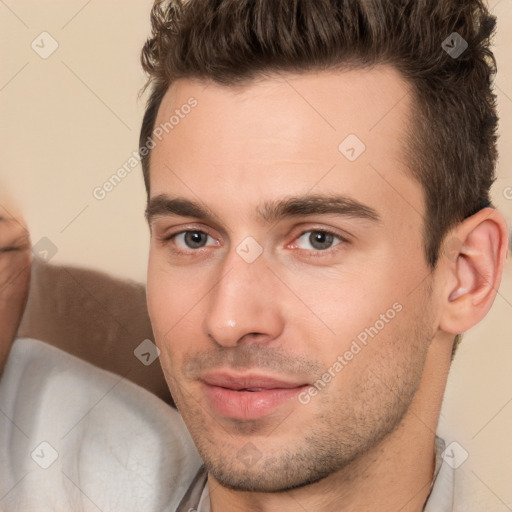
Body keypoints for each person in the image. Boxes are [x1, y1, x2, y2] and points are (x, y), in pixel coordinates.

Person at [0, 1, 509, 511]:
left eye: (317, 239)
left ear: (466, 275)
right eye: (193, 238)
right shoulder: (44, 459)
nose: (228, 320)